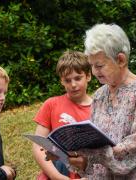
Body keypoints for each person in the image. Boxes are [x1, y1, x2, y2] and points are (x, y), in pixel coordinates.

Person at [68, 23, 136, 179]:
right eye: (91, 65)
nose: (94, 72)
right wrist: (81, 157)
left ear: (120, 60)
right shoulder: (99, 95)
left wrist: (95, 154)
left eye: (99, 65)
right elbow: (94, 141)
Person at [32, 50, 92, 180]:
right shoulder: (51, 104)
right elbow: (38, 145)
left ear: (88, 76)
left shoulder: (98, 109)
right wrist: (56, 176)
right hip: (54, 172)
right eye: (67, 80)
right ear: (61, 81)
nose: (73, 85)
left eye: (78, 78)